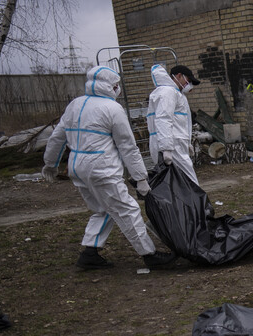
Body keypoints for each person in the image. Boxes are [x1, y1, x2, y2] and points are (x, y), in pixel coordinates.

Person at [41, 65, 176, 270]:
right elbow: (127, 147)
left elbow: (57, 137)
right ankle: (149, 254)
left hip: (78, 168)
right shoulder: (112, 109)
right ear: (111, 86)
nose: (118, 89)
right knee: (127, 209)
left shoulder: (75, 104)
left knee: (102, 209)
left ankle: (90, 253)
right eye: (117, 85)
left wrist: (50, 164)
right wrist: (140, 178)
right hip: (101, 168)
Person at [147, 64, 200, 184]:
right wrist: (166, 148)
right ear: (179, 76)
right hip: (172, 144)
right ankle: (195, 203)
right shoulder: (168, 92)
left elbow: (179, 122)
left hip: (173, 143)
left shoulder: (173, 93)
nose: (189, 84)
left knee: (175, 182)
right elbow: (163, 119)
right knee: (189, 181)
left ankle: (186, 202)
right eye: (188, 80)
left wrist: (187, 143)